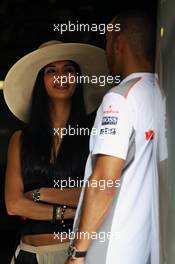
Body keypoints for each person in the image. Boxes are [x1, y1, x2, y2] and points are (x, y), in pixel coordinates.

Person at [65, 11, 168, 264]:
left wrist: (77, 253)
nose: (106, 49)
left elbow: (103, 181)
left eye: (107, 42)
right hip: (148, 248)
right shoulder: (165, 96)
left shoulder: (119, 99)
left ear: (118, 42)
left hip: (109, 251)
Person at [4, 40, 110, 264]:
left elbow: (100, 191)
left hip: (76, 255)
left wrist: (39, 194)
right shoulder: (20, 139)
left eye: (68, 70)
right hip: (27, 255)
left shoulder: (94, 134)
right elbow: (14, 204)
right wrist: (71, 211)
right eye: (51, 71)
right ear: (41, 81)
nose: (61, 76)